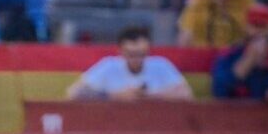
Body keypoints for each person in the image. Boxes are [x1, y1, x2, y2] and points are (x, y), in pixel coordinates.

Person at [66, 26, 194, 101]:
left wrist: (148, 96)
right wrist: (115, 95)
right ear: (120, 51)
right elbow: (75, 93)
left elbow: (186, 94)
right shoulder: (109, 66)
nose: (137, 59)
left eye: (141, 54)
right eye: (131, 55)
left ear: (148, 51)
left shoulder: (160, 65)